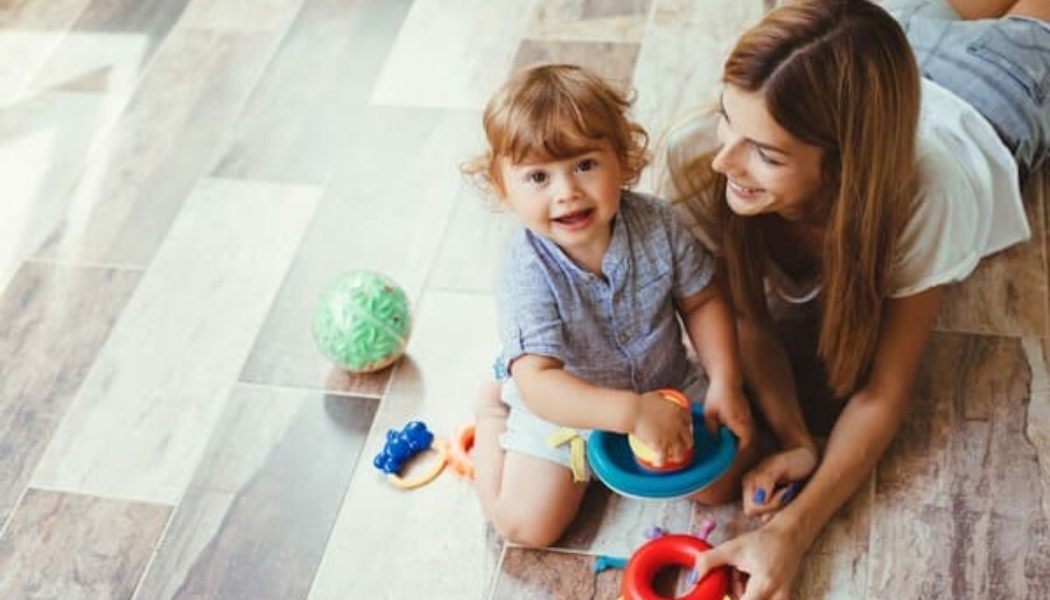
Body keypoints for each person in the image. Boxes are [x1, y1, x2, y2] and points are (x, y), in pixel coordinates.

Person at [662, 0, 1049, 597]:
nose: (723, 160)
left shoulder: (925, 195)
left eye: (765, 153)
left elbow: (883, 391)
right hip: (890, 36)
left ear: (843, 170)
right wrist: (795, 438)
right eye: (726, 118)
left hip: (986, 89)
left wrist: (791, 533)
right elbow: (745, 319)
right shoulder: (696, 161)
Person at [463, 64, 758, 548]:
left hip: (666, 384)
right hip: (563, 411)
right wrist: (629, 414)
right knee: (525, 528)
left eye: (584, 164)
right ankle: (493, 410)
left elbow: (703, 300)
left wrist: (726, 380)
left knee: (725, 479)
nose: (567, 191)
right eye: (538, 176)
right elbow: (540, 382)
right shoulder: (526, 272)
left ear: (622, 159)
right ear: (503, 189)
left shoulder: (658, 224)